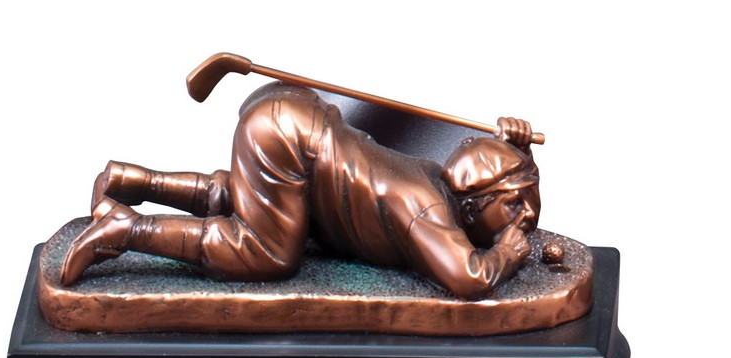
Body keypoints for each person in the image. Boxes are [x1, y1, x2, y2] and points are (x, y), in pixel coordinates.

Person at [61, 83, 540, 299]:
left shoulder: (436, 177)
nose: (524, 219)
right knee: (267, 251)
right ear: (473, 205)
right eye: (514, 206)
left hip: (292, 120)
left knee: (251, 202)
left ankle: (135, 182)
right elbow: (469, 277)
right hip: (289, 138)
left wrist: (519, 152)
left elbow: (505, 190)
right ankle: (127, 230)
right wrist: (508, 254)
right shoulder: (428, 209)